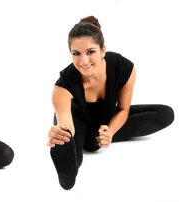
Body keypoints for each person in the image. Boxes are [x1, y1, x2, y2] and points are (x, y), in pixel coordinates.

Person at [47, 16, 174, 190]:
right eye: (76, 53)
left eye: (90, 52)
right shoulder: (62, 86)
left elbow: (123, 110)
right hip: (78, 121)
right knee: (69, 139)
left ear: (103, 50)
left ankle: (95, 140)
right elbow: (66, 122)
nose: (83, 61)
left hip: (106, 120)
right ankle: (71, 161)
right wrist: (62, 133)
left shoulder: (124, 68)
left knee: (166, 113)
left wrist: (110, 132)